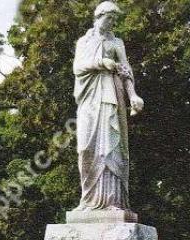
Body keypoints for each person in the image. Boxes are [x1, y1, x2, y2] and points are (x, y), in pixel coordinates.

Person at [73, 1, 144, 211]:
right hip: (89, 98)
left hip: (111, 96)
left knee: (111, 148)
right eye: (109, 18)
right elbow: (78, 68)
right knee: (87, 147)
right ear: (98, 16)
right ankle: (87, 201)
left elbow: (125, 70)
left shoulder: (117, 43)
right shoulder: (84, 42)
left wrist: (133, 95)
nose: (112, 22)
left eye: (115, 19)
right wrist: (101, 63)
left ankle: (113, 201)